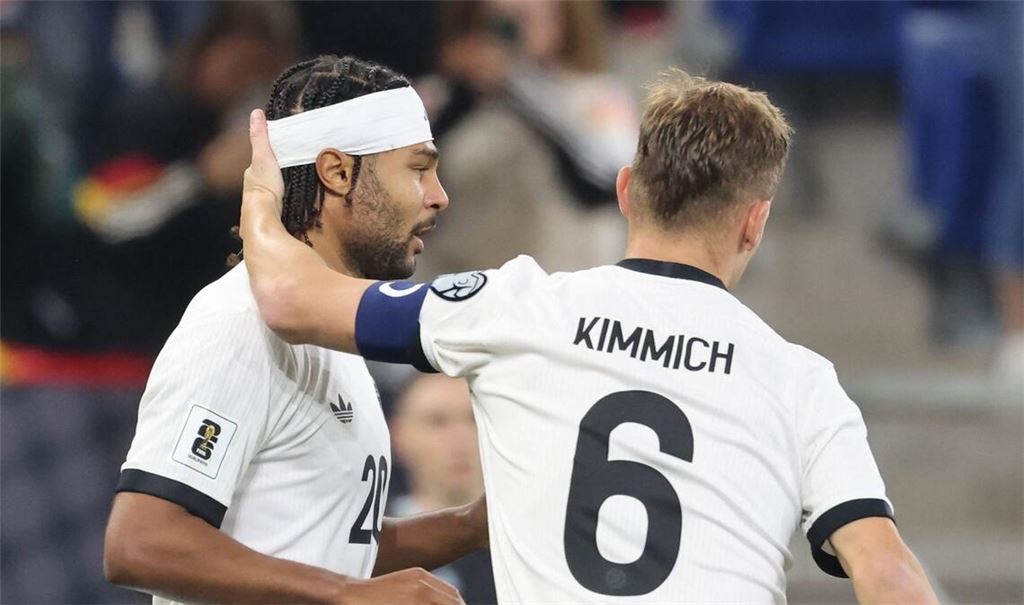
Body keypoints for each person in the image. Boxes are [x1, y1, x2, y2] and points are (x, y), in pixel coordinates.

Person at [239, 70, 939, 604]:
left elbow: (287, 296)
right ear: (754, 222)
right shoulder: (801, 381)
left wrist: (265, 188)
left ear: (627, 189)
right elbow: (888, 573)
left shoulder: (516, 306)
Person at [103, 55, 486, 605]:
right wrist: (348, 595)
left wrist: (473, 525)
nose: (438, 195)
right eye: (418, 169)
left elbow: (322, 547)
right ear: (337, 173)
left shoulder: (329, 329)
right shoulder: (240, 322)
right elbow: (140, 542)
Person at [389, 374, 498, 604]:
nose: (460, 438)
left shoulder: (528, 545)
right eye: (437, 422)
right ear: (398, 435)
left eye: (473, 419)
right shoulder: (368, 547)